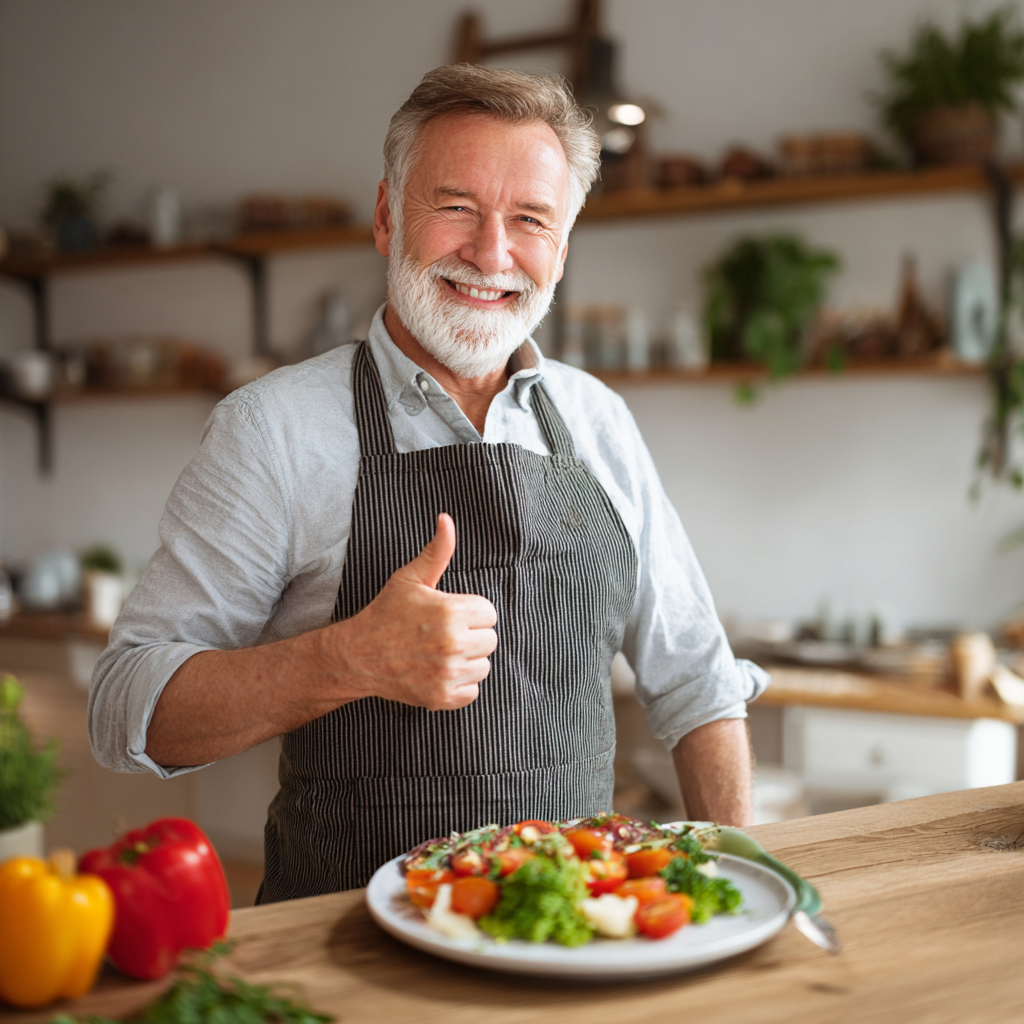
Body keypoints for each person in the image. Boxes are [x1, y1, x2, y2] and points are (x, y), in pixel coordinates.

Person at [89, 65, 768, 903]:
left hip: (568, 935)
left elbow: (699, 682)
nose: (491, 253)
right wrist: (346, 659)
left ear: (561, 250)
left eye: (530, 219)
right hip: (344, 943)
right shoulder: (275, 428)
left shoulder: (599, 420)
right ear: (386, 217)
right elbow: (124, 708)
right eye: (456, 207)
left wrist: (745, 891)